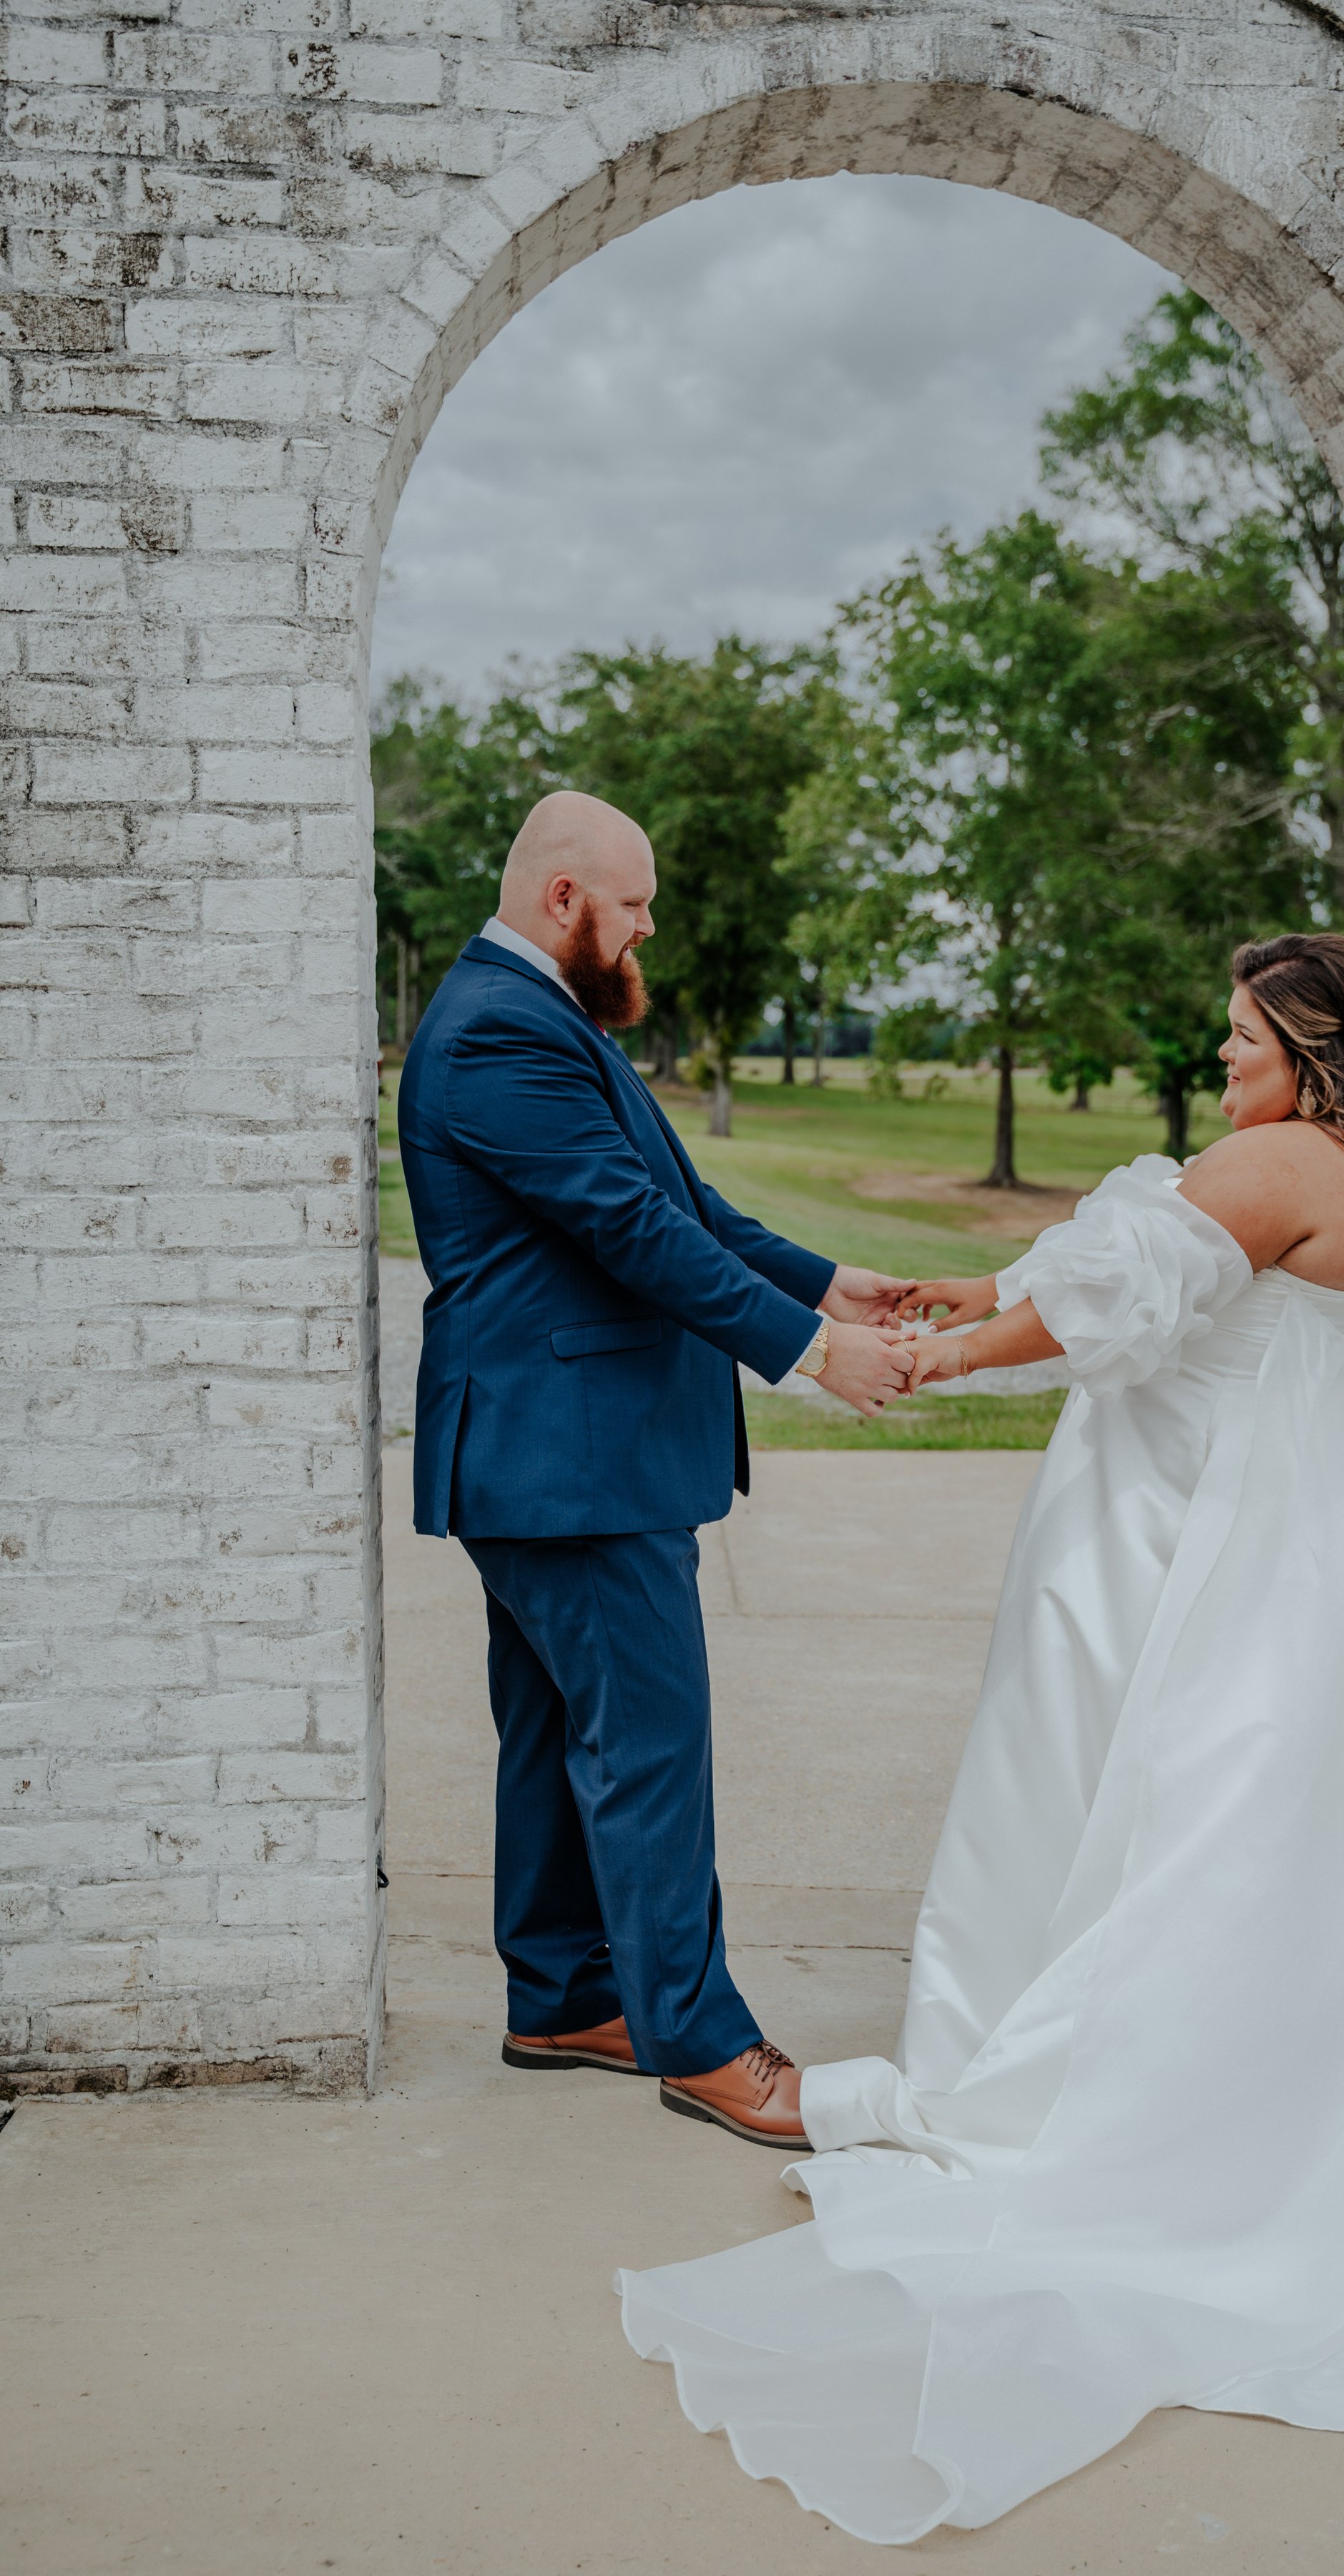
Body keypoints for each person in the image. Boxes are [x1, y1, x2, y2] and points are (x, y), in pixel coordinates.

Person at [617, 931, 1344, 2544]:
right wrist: (975, 1282)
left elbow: (1109, 1298)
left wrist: (928, 1355)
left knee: (1206, 1827)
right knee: (1286, 1839)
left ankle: (1178, 2129)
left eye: (1239, 1033)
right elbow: (1141, 1270)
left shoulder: (1276, 1156)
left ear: (1303, 1048)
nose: (1218, 1052)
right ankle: (1295, 2089)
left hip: (1268, 1548)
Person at [398, 790, 916, 2148]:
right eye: (631, 906)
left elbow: (683, 1202)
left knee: (563, 1734)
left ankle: (565, 1996)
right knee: (647, 1744)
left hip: (554, 1453)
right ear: (564, 898)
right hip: (569, 1459)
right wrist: (808, 1351)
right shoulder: (503, 1029)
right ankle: (702, 2043)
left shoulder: (538, 1014)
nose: (646, 929)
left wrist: (827, 1279)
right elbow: (630, 1231)